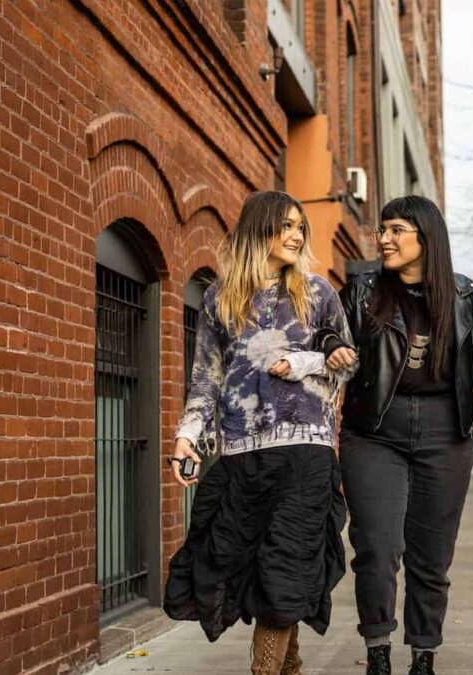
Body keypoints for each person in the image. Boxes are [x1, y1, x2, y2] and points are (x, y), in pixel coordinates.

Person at [163, 191, 356, 675]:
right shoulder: (219, 298)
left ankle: (265, 671)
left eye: (299, 227)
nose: (295, 235)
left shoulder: (317, 293)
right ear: (258, 230)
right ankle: (289, 667)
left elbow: (348, 362)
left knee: (285, 569)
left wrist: (306, 362)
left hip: (305, 454)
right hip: (241, 457)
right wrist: (188, 435)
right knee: (246, 569)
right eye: (284, 226)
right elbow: (206, 377)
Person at [315, 195, 473, 675]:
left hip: (445, 431)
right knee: (376, 546)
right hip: (374, 431)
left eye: (396, 230)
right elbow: (330, 335)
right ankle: (377, 651)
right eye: (383, 229)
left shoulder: (468, 296)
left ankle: (424, 654)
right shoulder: (364, 288)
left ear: (426, 237)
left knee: (432, 554)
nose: (384, 239)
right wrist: (331, 346)